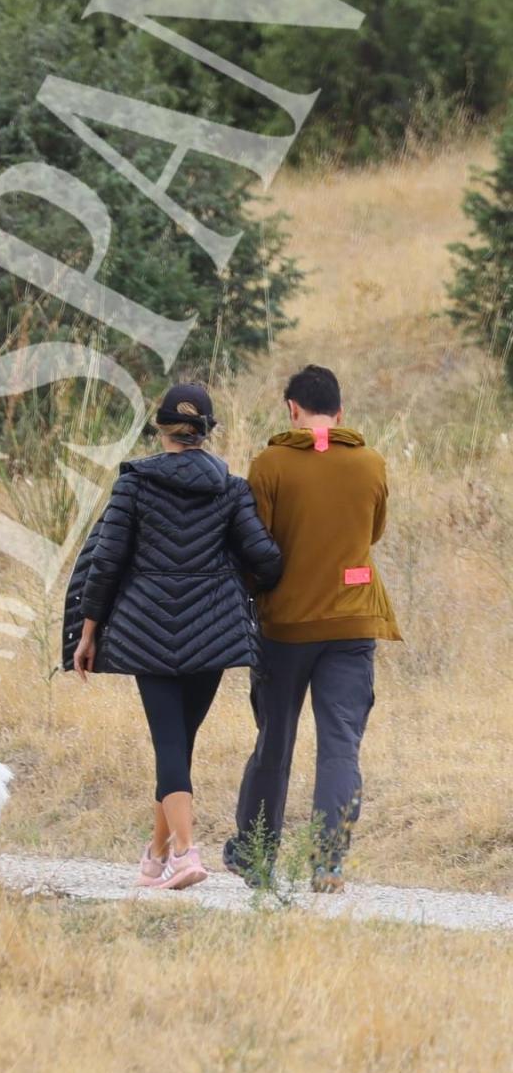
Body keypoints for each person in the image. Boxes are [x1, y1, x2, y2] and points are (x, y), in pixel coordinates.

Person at [63, 382, 282, 890]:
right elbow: (265, 560)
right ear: (208, 433)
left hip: (146, 632)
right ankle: (154, 858)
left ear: (160, 429)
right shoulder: (231, 487)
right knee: (178, 747)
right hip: (212, 634)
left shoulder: (135, 484)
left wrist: (87, 631)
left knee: (169, 745)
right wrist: (234, 583)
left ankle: (185, 855)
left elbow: (106, 562)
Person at [224, 364, 401, 894]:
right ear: (340, 412)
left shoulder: (270, 464)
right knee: (340, 746)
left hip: (285, 626)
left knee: (274, 741)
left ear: (292, 410)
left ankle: (256, 858)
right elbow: (374, 531)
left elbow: (255, 545)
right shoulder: (371, 463)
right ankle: (327, 863)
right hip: (352, 622)